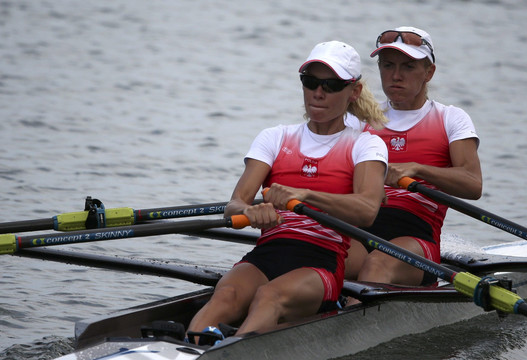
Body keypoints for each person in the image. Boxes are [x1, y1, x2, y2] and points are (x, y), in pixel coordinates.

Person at [186, 40, 389, 344]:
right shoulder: (275, 137)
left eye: (331, 85)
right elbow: (234, 205)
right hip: (268, 253)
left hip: (320, 261)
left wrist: (305, 196)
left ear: (354, 92)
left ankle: (231, 350)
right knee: (225, 295)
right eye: (310, 82)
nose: (318, 92)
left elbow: (367, 209)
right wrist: (250, 212)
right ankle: (190, 346)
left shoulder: (366, 145)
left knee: (269, 296)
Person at [344, 26, 483, 290]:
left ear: (429, 72)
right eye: (387, 66)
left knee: (376, 265)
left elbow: (473, 184)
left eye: (408, 67)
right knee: (313, 250)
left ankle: (350, 320)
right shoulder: (360, 120)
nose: (395, 76)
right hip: (360, 222)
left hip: (415, 235)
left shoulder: (450, 119)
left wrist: (419, 170)